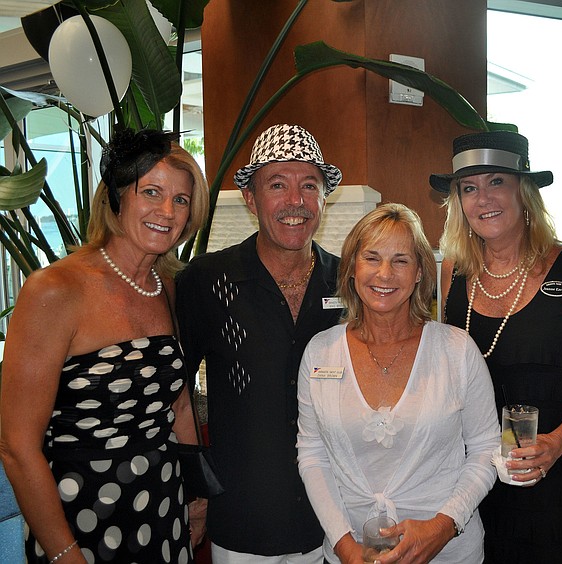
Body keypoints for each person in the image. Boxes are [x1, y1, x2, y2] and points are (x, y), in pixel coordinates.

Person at [0, 129, 210, 563]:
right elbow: (17, 446)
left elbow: (181, 404)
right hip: (82, 516)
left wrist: (197, 496)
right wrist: (64, 554)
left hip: (163, 508)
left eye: (181, 200)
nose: (166, 212)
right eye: (151, 192)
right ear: (117, 198)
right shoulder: (55, 290)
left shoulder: (167, 288)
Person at [432, 130, 562, 563]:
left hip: (551, 483)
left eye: (496, 181)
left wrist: (557, 442)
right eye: (469, 188)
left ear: (524, 191)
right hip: (472, 482)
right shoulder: (453, 276)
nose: (483, 199)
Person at [176, 124, 344, 563]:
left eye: (309, 185)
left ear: (324, 198)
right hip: (243, 518)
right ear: (251, 199)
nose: (295, 201)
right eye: (277, 185)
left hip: (337, 518)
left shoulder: (350, 281)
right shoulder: (206, 280)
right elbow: (177, 393)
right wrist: (197, 489)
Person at [297, 203, 500, 564]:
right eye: (371, 258)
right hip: (351, 554)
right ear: (352, 269)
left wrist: (443, 527)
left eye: (401, 260)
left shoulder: (456, 350)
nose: (384, 273)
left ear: (421, 271)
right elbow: (312, 455)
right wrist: (346, 547)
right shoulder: (320, 352)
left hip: (447, 552)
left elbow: (486, 450)